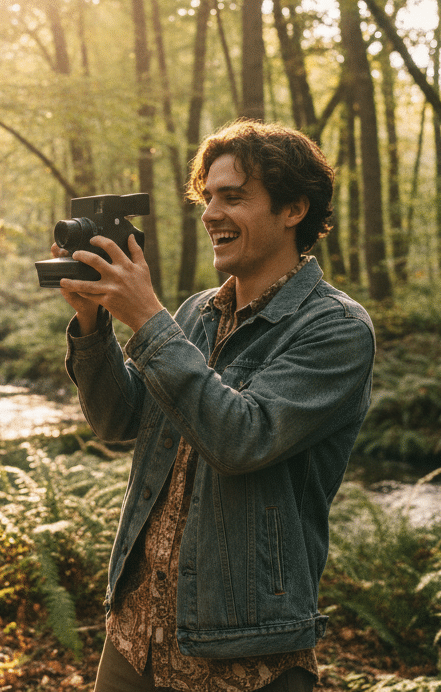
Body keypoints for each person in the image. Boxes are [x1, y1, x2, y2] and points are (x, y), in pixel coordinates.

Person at [54, 121, 376, 692]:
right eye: (209, 198)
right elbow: (117, 419)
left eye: (234, 197)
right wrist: (92, 321)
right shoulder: (198, 313)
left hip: (245, 658)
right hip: (134, 636)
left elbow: (242, 438)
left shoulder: (336, 328)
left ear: (294, 209)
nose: (210, 214)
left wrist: (149, 319)